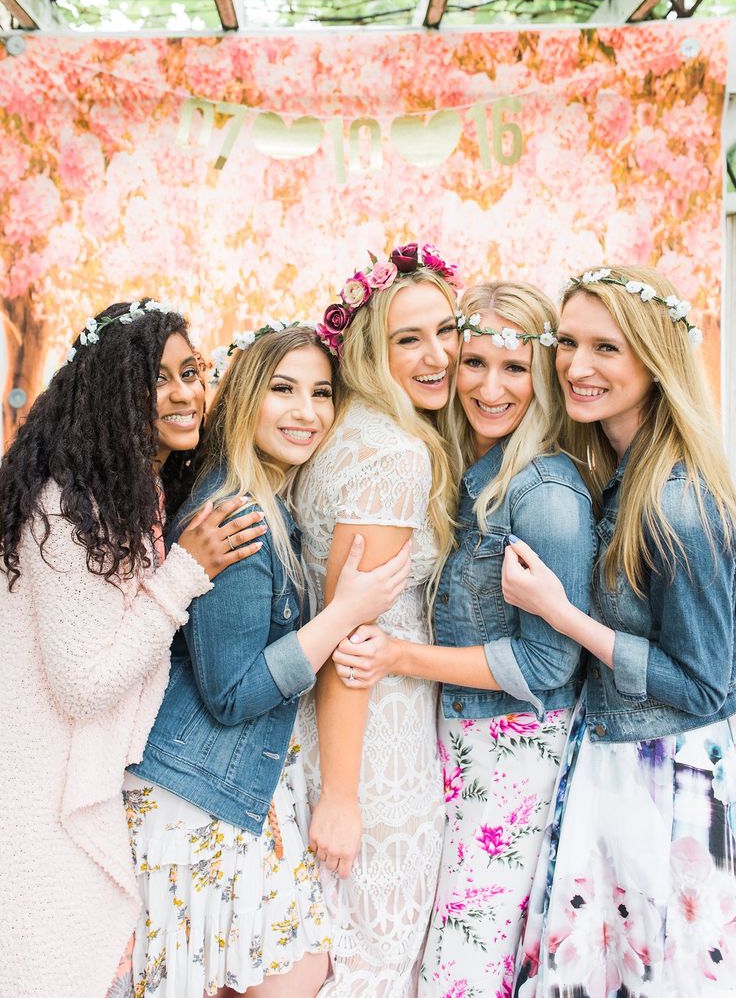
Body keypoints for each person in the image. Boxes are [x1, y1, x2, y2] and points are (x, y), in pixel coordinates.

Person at [125, 324, 411, 998]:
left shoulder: (268, 501)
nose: (306, 411)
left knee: (281, 973)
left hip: (233, 788)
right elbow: (232, 693)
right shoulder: (237, 515)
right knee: (289, 974)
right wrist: (345, 609)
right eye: (283, 389)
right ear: (246, 396)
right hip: (195, 796)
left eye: (320, 393)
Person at [332, 282, 596, 997]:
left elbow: (546, 662)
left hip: (514, 750)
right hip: (459, 739)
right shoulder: (464, 472)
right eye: (474, 361)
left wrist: (398, 656)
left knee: (463, 970)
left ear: (542, 378)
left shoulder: (544, 490)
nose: (488, 385)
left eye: (514, 368)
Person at [0, 300, 265, 998]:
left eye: (193, 373)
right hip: (39, 800)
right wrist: (186, 571)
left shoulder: (128, 492)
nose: (187, 395)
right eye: (161, 379)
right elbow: (84, 684)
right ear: (116, 390)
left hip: (69, 787)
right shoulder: (66, 506)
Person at [498, 266, 736, 997]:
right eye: (568, 343)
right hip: (614, 760)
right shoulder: (620, 472)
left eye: (607, 348)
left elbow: (706, 684)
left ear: (654, 361)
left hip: (666, 779)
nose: (577, 366)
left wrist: (560, 614)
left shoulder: (677, 500)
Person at [291, 243, 460, 997]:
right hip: (373, 742)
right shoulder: (394, 455)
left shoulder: (342, 429)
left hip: (334, 733)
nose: (437, 356)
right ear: (368, 347)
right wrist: (345, 796)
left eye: (446, 331)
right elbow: (348, 638)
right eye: (408, 339)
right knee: (374, 963)